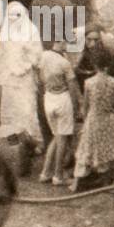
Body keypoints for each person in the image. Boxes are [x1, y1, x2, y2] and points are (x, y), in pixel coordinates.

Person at [72, 47, 114, 190]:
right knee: (107, 149)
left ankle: (80, 180)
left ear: (95, 64)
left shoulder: (89, 83)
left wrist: (84, 122)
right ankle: (105, 179)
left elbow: (86, 106)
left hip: (94, 118)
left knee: (88, 148)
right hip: (109, 118)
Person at [0, 1, 44, 149]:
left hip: (25, 78)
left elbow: (37, 55)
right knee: (10, 111)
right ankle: (14, 144)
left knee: (27, 110)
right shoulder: (5, 32)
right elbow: (1, 58)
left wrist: (26, 61)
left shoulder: (31, 31)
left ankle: (34, 142)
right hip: (9, 79)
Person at [39, 39, 78, 186]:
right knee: (62, 139)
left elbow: (39, 78)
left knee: (56, 137)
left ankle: (45, 172)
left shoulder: (43, 56)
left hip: (48, 97)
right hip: (62, 99)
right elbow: (72, 87)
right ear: (60, 42)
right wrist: (74, 108)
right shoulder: (64, 62)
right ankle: (58, 176)